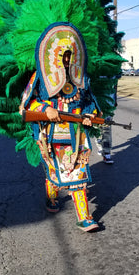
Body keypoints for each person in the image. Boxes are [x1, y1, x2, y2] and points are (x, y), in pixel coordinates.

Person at [19, 23, 100, 232]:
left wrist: (91, 115)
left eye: (69, 56)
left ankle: (84, 216)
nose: (66, 60)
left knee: (77, 175)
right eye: (62, 56)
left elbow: (91, 102)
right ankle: (51, 196)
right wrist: (45, 109)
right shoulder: (40, 77)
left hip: (77, 134)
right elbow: (26, 104)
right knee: (55, 172)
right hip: (50, 135)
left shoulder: (82, 78)